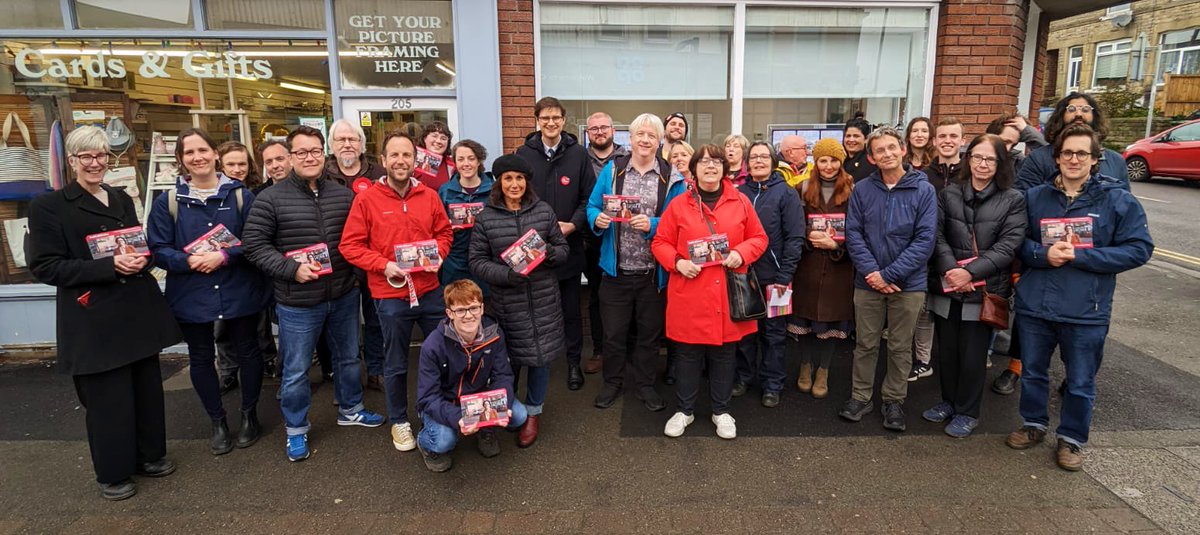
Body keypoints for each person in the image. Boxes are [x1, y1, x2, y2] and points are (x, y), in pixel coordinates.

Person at [28, 125, 182, 501]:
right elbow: (46, 267)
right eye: (87, 157)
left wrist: (139, 259)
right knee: (107, 400)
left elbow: (132, 242)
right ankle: (113, 472)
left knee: (146, 391)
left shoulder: (119, 198)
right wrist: (109, 268)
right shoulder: (49, 206)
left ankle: (150, 455)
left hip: (133, 310)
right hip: (93, 317)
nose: (96, 163)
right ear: (72, 161)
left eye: (101, 156)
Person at [1006, 123, 1152, 471]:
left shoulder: (1117, 200)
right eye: (1067, 153)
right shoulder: (1035, 197)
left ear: (1094, 159)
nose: (1073, 159)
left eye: (1081, 153)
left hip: (1087, 309)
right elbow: (1015, 242)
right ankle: (1034, 424)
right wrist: (1043, 255)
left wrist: (1082, 256)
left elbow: (1139, 249)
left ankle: (1071, 439)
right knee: (1034, 373)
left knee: (1081, 381)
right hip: (1036, 304)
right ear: (1057, 157)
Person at [242, 125, 386, 462]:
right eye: (302, 152)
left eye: (315, 151)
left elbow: (360, 238)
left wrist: (354, 275)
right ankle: (296, 429)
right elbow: (254, 246)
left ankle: (350, 408)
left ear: (325, 155)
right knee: (295, 369)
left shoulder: (343, 195)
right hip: (298, 302)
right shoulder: (270, 199)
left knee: (349, 358)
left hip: (343, 295)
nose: (310, 157)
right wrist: (292, 269)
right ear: (291, 157)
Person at [147, 128, 270, 454]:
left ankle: (249, 415)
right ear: (181, 160)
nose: (197, 157)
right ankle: (217, 421)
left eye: (203, 150)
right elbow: (156, 249)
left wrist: (224, 254)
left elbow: (258, 240)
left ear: (215, 154)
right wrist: (188, 260)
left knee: (248, 351)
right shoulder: (168, 202)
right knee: (201, 357)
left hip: (238, 288)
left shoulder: (241, 196)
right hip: (191, 291)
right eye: (189, 153)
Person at [341, 130, 454, 454]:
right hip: (390, 294)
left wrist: (438, 256)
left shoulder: (429, 197)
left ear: (415, 160)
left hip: (430, 291)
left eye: (407, 155)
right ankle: (400, 421)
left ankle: (435, 411)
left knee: (442, 355)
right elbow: (350, 245)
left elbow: (444, 233)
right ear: (383, 160)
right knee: (396, 362)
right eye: (395, 155)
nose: (401, 161)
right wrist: (382, 265)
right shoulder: (367, 199)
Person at [651, 144, 768, 439]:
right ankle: (685, 410)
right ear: (694, 170)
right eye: (703, 162)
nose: (710, 166)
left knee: (724, 355)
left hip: (726, 293)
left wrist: (741, 253)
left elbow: (759, 238)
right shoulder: (678, 205)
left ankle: (721, 410)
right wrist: (677, 262)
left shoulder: (740, 201)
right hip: (690, 290)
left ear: (724, 168)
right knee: (687, 355)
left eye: (716, 161)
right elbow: (660, 242)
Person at [921, 134, 1026, 438]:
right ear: (968, 160)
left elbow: (1008, 246)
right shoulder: (949, 194)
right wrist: (952, 270)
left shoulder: (1013, 199)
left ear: (1000, 163)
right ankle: (948, 402)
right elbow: (936, 235)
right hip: (949, 283)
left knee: (973, 355)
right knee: (948, 351)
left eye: (990, 159)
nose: (982, 164)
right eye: (977, 157)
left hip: (984, 289)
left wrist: (971, 273)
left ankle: (968, 411)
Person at [586, 113, 687, 412]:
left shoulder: (672, 177)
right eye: (639, 134)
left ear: (660, 141)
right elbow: (592, 205)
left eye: (651, 135)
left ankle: (645, 385)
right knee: (614, 334)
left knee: (649, 335)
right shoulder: (612, 170)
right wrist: (598, 219)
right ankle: (612, 382)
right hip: (615, 270)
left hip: (651, 274)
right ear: (630, 139)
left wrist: (653, 224)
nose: (644, 140)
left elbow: (677, 221)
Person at [468, 154, 570, 448]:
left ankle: (534, 412)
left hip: (543, 300)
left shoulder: (543, 211)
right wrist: (506, 275)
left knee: (539, 360)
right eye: (508, 178)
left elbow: (562, 248)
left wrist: (551, 253)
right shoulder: (486, 217)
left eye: (520, 178)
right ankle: (509, 408)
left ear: (527, 182)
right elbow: (476, 261)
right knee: (506, 363)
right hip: (506, 303)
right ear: (499, 182)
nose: (514, 184)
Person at [840, 127, 938, 432]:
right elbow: (853, 233)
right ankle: (860, 396)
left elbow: (925, 240)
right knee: (865, 344)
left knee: (899, 346)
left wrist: (889, 274)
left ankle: (894, 400)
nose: (886, 154)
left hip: (908, 284)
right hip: (867, 282)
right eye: (880, 150)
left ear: (903, 150)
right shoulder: (863, 190)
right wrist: (873, 273)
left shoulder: (924, 190)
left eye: (891, 148)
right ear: (872, 156)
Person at [515, 96, 595, 391]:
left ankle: (573, 363)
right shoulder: (523, 154)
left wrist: (573, 224)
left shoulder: (578, 155)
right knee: (534, 311)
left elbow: (589, 198)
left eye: (556, 118)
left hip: (569, 247)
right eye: (545, 118)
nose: (550, 123)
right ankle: (537, 365)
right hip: (532, 248)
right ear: (537, 120)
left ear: (564, 120)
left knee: (570, 310)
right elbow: (516, 197)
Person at [414, 280, 527, 472]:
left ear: (482, 309)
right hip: (446, 402)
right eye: (461, 310)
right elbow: (427, 398)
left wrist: (500, 407)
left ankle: (485, 429)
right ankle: (426, 442)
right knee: (443, 441)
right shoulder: (432, 346)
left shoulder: (495, 334)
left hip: (479, 399)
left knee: (519, 415)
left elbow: (504, 376)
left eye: (474, 308)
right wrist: (459, 418)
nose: (468, 315)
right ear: (449, 313)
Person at [733, 141, 805, 407]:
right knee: (744, 332)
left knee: (774, 335)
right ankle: (743, 377)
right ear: (747, 163)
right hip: (743, 277)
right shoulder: (737, 194)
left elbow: (795, 237)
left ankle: (772, 384)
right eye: (754, 157)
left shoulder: (786, 194)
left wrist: (785, 276)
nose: (759, 161)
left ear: (773, 162)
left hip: (776, 277)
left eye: (764, 156)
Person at [790, 138, 856, 399]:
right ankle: (805, 366)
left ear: (841, 162)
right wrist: (809, 235)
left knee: (830, 323)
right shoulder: (801, 188)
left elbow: (860, 228)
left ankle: (824, 370)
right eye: (823, 160)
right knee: (805, 321)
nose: (828, 166)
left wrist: (838, 243)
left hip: (839, 267)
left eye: (834, 160)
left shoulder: (854, 190)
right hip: (808, 264)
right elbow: (794, 222)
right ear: (815, 162)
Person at [324, 118, 387, 391]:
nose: (347, 144)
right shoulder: (322, 176)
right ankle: (346, 381)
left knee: (376, 320)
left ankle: (376, 370)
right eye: (341, 140)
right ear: (331, 145)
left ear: (362, 144)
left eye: (352, 139)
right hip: (338, 262)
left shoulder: (379, 174)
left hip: (375, 259)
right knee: (343, 326)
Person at [214, 140, 277, 387]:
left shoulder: (257, 191)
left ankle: (267, 360)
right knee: (221, 324)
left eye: (242, 164)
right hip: (220, 266)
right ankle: (228, 369)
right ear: (220, 164)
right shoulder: (213, 192)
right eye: (231, 164)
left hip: (252, 265)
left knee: (259, 319)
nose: (237, 169)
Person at [583, 111, 628, 375]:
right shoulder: (579, 159)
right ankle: (600, 350)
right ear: (588, 133)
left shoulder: (626, 158)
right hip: (592, 239)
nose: (599, 132)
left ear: (613, 130)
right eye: (594, 129)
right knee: (597, 297)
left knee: (627, 297)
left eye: (603, 127)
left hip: (624, 238)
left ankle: (625, 350)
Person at [1015, 92, 1129, 192]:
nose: (1079, 114)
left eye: (1085, 109)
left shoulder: (1116, 161)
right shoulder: (1039, 158)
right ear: (1061, 116)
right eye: (1072, 109)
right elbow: (1023, 201)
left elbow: (1125, 205)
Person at [439, 139, 494, 292]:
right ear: (455, 163)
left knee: (487, 306)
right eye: (461, 159)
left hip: (486, 258)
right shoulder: (445, 191)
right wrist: (449, 226)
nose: (466, 164)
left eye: (471, 158)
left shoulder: (493, 190)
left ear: (479, 161)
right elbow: (436, 226)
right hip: (455, 259)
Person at [985, 112, 1048, 177]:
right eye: (1005, 142)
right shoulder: (974, 157)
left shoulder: (1017, 162)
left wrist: (1027, 130)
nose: (1008, 149)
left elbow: (1049, 156)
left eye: (1013, 145)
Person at [417, 121, 455, 191]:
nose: (438, 141)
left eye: (443, 138)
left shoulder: (453, 166)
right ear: (425, 138)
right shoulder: (412, 161)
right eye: (434, 136)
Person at [843, 117, 877, 182]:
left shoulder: (870, 163)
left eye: (856, 136)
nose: (851, 140)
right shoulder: (841, 159)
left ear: (866, 139)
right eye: (848, 136)